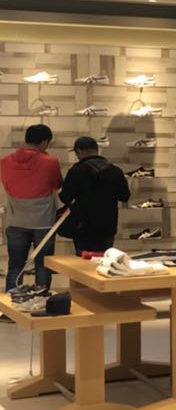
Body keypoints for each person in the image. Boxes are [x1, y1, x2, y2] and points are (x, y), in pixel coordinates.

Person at [1, 124, 63, 291]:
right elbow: (57, 184)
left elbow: (7, 186)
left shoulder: (5, 161)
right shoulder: (50, 162)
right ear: (44, 142)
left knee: (15, 266)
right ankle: (40, 300)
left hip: (15, 220)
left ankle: (11, 303)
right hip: (44, 221)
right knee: (43, 265)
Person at [58, 135, 130, 254]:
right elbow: (124, 196)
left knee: (83, 261)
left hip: (83, 226)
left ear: (79, 151)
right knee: (104, 259)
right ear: (96, 150)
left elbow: (65, 197)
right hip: (107, 225)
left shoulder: (77, 170)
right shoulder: (115, 170)